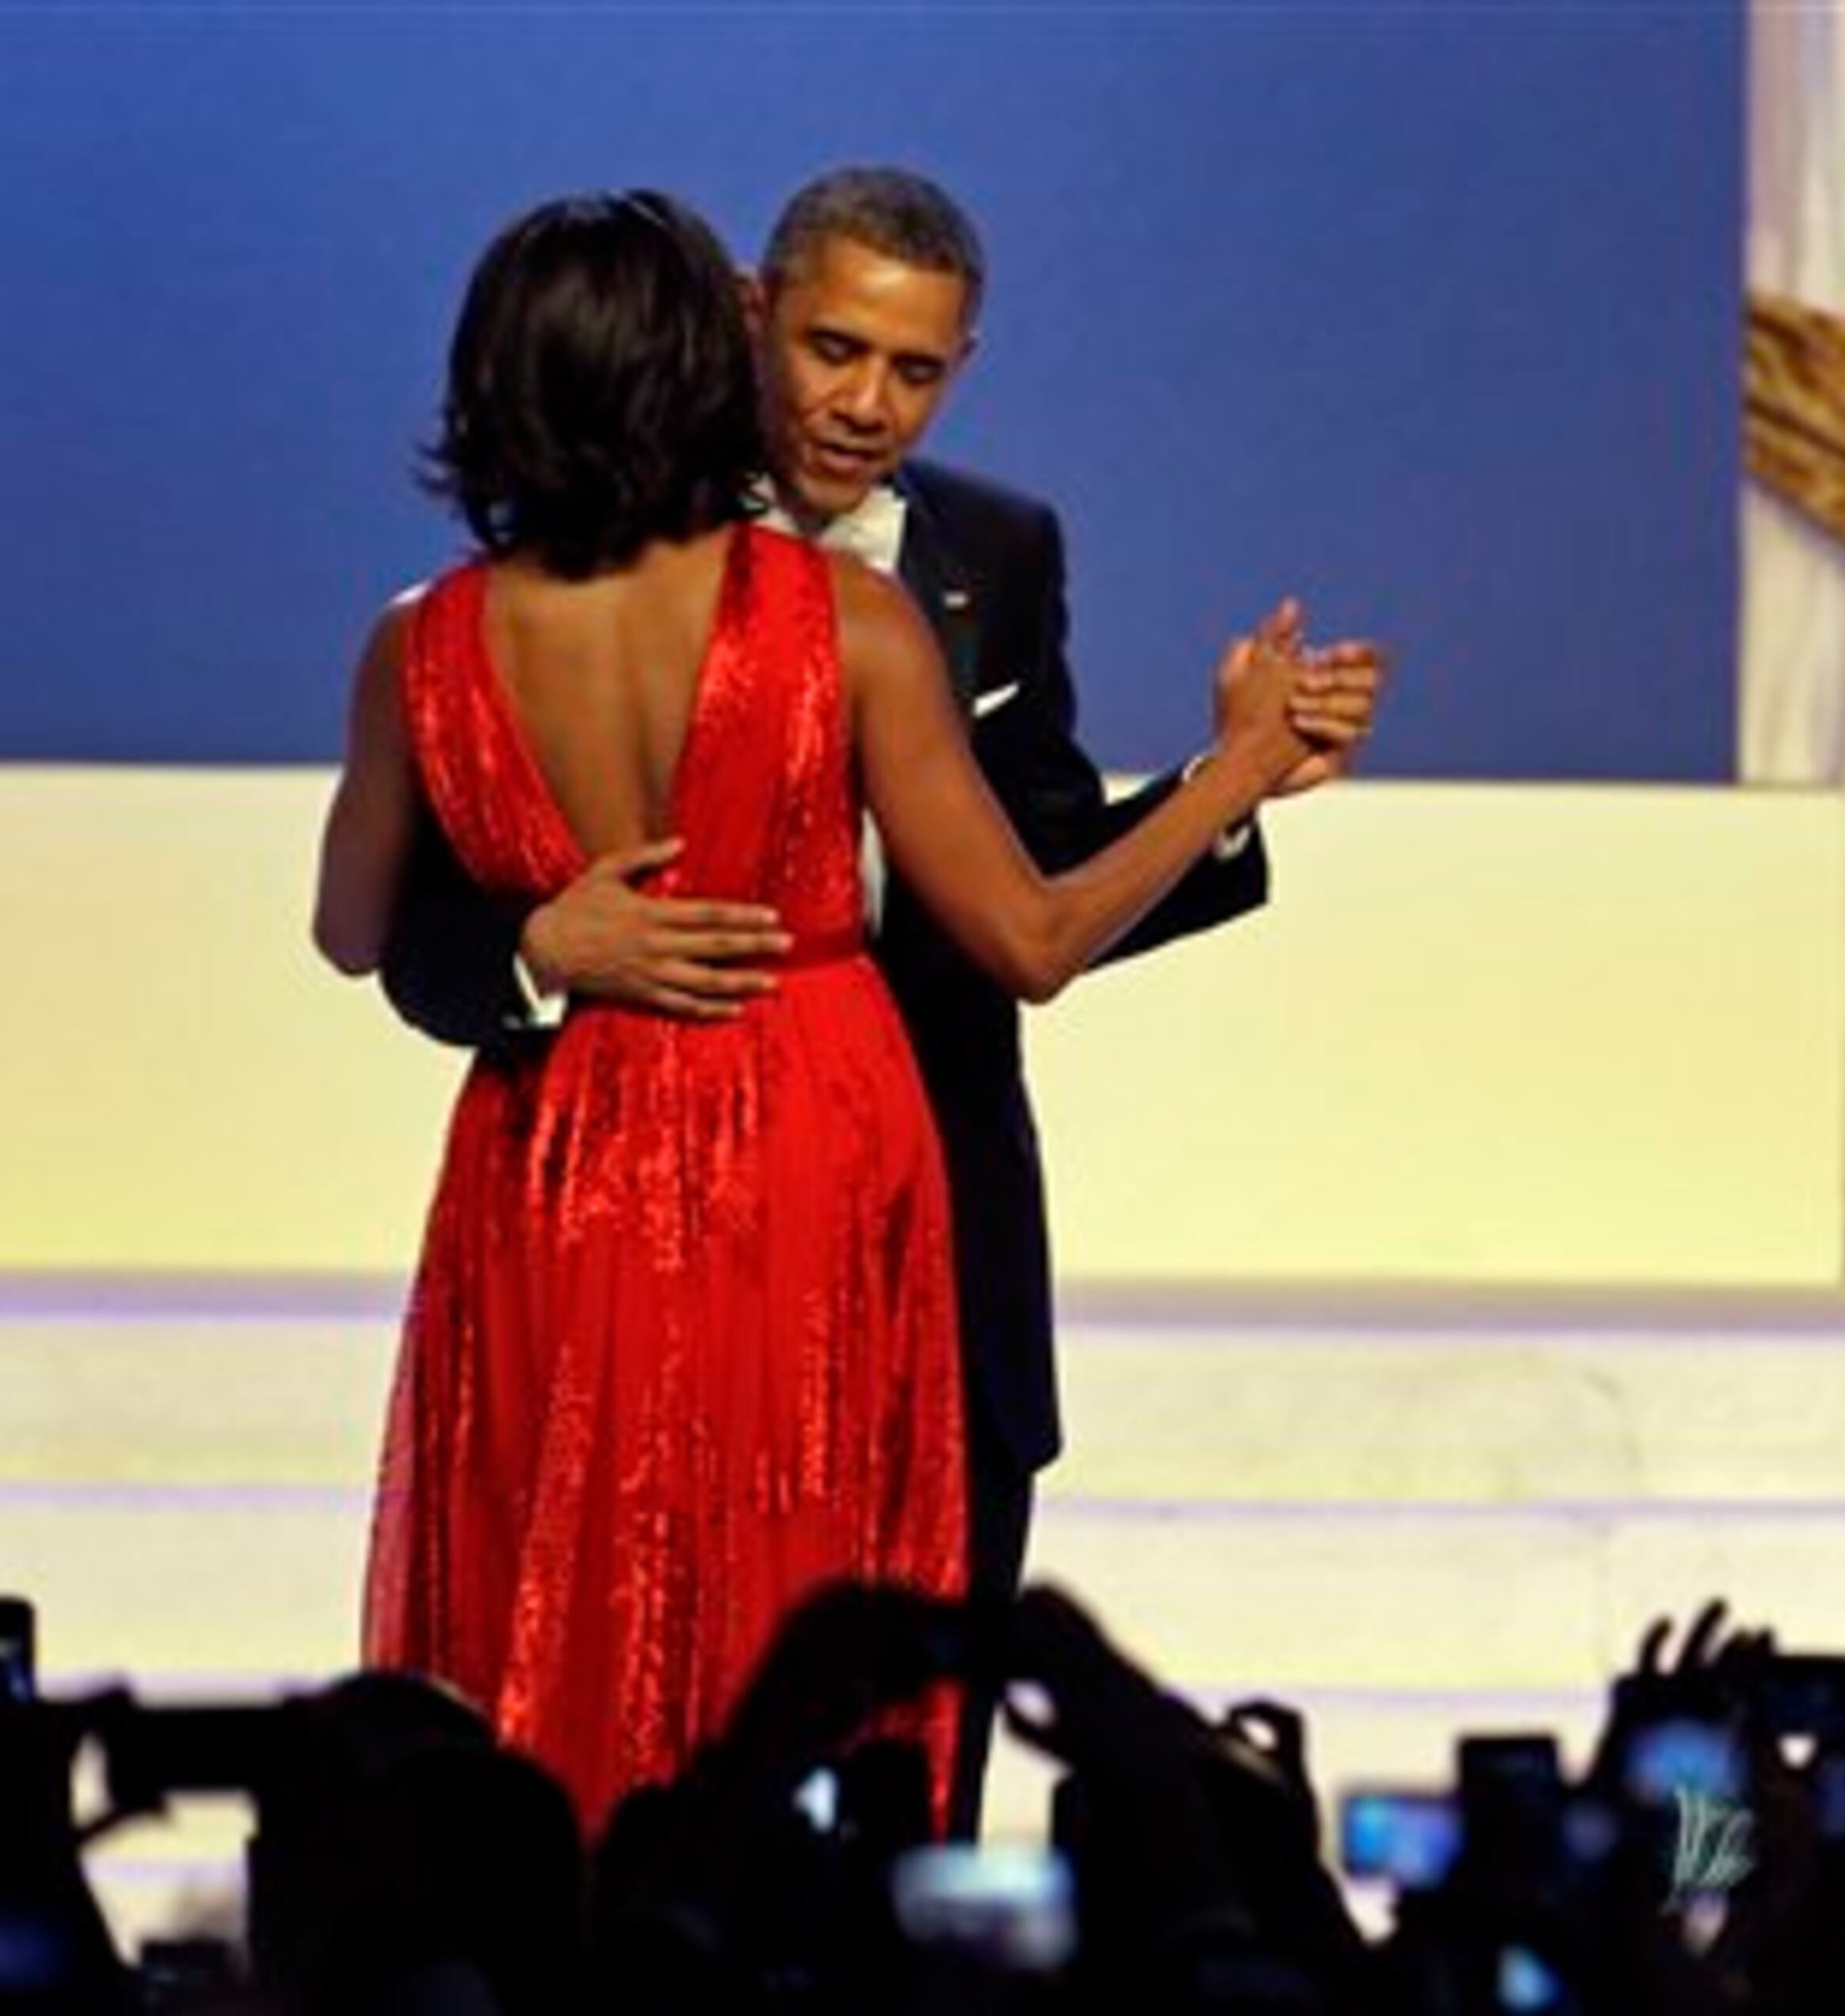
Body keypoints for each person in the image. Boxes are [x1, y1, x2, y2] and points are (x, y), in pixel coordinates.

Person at [313, 189, 1355, 1828]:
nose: (867, 401)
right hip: (813, 1175)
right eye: (832, 349)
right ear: (722, 337)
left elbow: (345, 924)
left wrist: (1221, 803)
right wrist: (1234, 764)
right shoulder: (840, 626)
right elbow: (1032, 927)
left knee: (570, 1624)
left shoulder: (422, 642)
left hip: (576, 1189)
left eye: (914, 369)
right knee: (814, 1646)